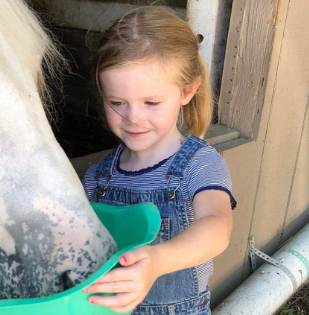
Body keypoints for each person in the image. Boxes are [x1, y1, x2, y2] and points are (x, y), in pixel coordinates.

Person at [80, 6, 236, 315]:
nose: (133, 117)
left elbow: (217, 226)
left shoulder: (199, 164)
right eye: (117, 102)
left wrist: (158, 261)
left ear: (187, 91)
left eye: (151, 102)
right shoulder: (98, 176)